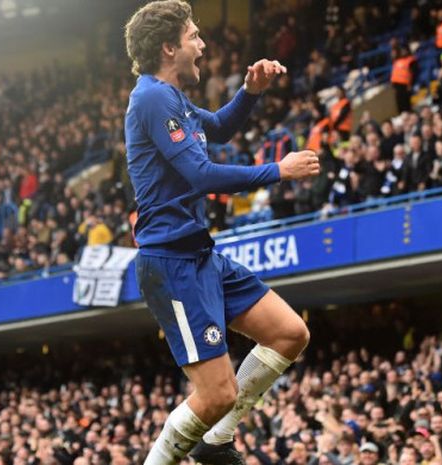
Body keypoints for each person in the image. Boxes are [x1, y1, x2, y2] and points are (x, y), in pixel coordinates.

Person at [123, 2, 319, 465]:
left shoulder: (174, 99)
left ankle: (215, 441)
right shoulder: (151, 97)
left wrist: (250, 92)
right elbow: (200, 175)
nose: (202, 45)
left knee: (290, 334)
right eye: (194, 36)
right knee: (216, 395)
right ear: (169, 47)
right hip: (171, 263)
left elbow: (222, 127)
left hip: (201, 255)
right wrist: (278, 171)